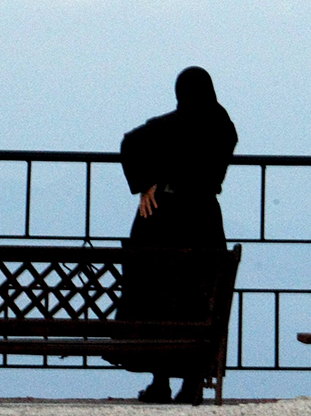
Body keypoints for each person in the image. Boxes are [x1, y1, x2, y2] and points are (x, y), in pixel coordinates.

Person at [115, 66, 239, 405]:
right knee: (197, 299)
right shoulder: (222, 128)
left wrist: (145, 184)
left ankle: (160, 381)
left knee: (157, 298)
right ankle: (193, 380)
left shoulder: (164, 127)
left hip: (160, 217)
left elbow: (130, 142)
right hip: (201, 220)